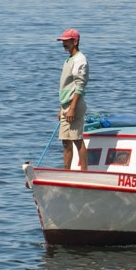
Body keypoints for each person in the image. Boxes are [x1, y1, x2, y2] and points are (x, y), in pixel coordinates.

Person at [57, 28, 88, 171]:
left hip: (74, 106)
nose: (64, 44)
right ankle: (66, 171)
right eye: (63, 41)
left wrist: (72, 108)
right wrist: (62, 107)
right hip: (66, 106)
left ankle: (84, 172)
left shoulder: (80, 60)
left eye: (66, 41)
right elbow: (67, 86)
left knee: (77, 140)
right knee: (66, 142)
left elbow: (79, 86)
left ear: (75, 41)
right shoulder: (69, 60)